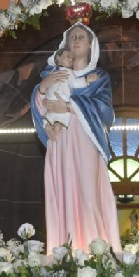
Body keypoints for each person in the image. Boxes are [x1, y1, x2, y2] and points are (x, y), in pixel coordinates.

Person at [31, 23, 119, 254]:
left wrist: (70, 105)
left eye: (81, 37)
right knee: (62, 189)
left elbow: (105, 111)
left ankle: (95, 248)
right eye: (72, 38)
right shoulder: (52, 76)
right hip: (60, 139)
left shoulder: (98, 77)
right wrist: (42, 88)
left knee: (88, 190)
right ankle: (63, 248)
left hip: (86, 137)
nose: (76, 41)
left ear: (91, 44)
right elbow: (40, 107)